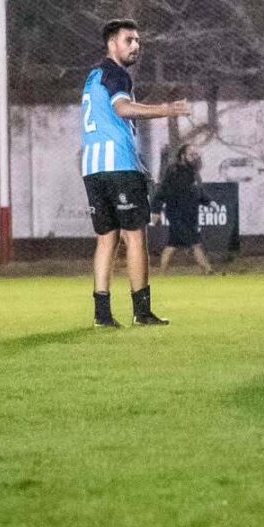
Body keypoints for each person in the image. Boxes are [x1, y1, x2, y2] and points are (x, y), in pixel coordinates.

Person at [81, 18, 191, 327]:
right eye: (129, 40)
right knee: (135, 237)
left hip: (93, 167)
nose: (136, 46)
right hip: (118, 166)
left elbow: (108, 119)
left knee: (106, 239)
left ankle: (102, 314)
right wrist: (167, 109)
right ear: (112, 43)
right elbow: (123, 109)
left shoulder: (93, 75)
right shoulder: (117, 73)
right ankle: (142, 312)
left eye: (138, 41)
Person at [151, 144, 213, 275]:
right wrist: (156, 210)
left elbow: (198, 191)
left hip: (190, 215)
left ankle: (162, 274)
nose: (195, 157)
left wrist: (209, 202)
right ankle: (208, 270)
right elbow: (162, 190)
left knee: (172, 245)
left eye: (196, 154)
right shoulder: (174, 171)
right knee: (195, 243)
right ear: (183, 156)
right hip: (177, 215)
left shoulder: (193, 172)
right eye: (192, 154)